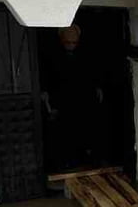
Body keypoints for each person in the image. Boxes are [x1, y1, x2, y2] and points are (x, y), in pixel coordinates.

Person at [41, 25, 104, 171]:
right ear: (61, 40)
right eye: (68, 43)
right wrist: (45, 92)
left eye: (74, 43)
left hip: (82, 99)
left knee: (85, 129)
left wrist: (97, 87)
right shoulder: (52, 55)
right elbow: (47, 75)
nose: (71, 46)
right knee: (65, 132)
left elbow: (92, 72)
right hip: (62, 100)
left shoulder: (85, 54)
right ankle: (67, 162)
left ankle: (87, 159)